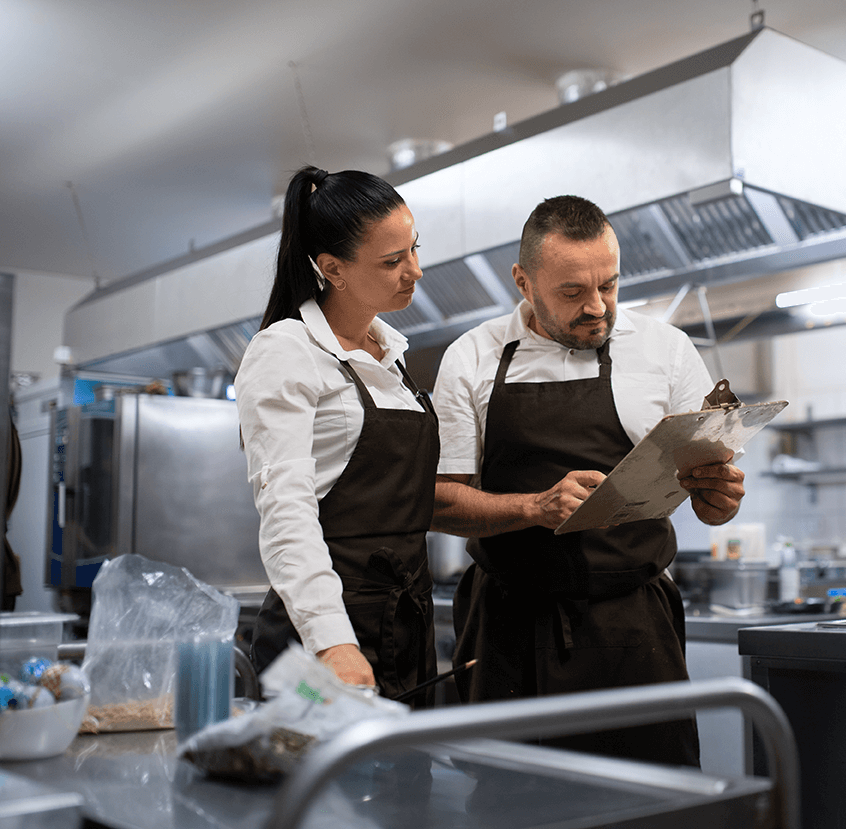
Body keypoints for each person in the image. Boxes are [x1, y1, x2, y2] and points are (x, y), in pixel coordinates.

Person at [431, 194, 746, 765]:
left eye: (610, 285)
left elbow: (710, 503)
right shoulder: (471, 358)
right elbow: (439, 503)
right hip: (509, 626)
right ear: (524, 282)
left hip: (633, 625)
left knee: (655, 803)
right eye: (572, 293)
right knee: (513, 804)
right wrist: (533, 508)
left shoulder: (666, 351)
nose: (597, 307)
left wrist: (720, 499)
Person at [235, 165, 438, 706]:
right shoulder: (286, 351)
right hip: (324, 637)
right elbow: (286, 511)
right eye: (392, 261)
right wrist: (331, 643)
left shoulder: (393, 356)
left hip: (405, 627)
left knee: (408, 787)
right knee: (320, 790)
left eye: (414, 249)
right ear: (332, 269)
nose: (415, 271)